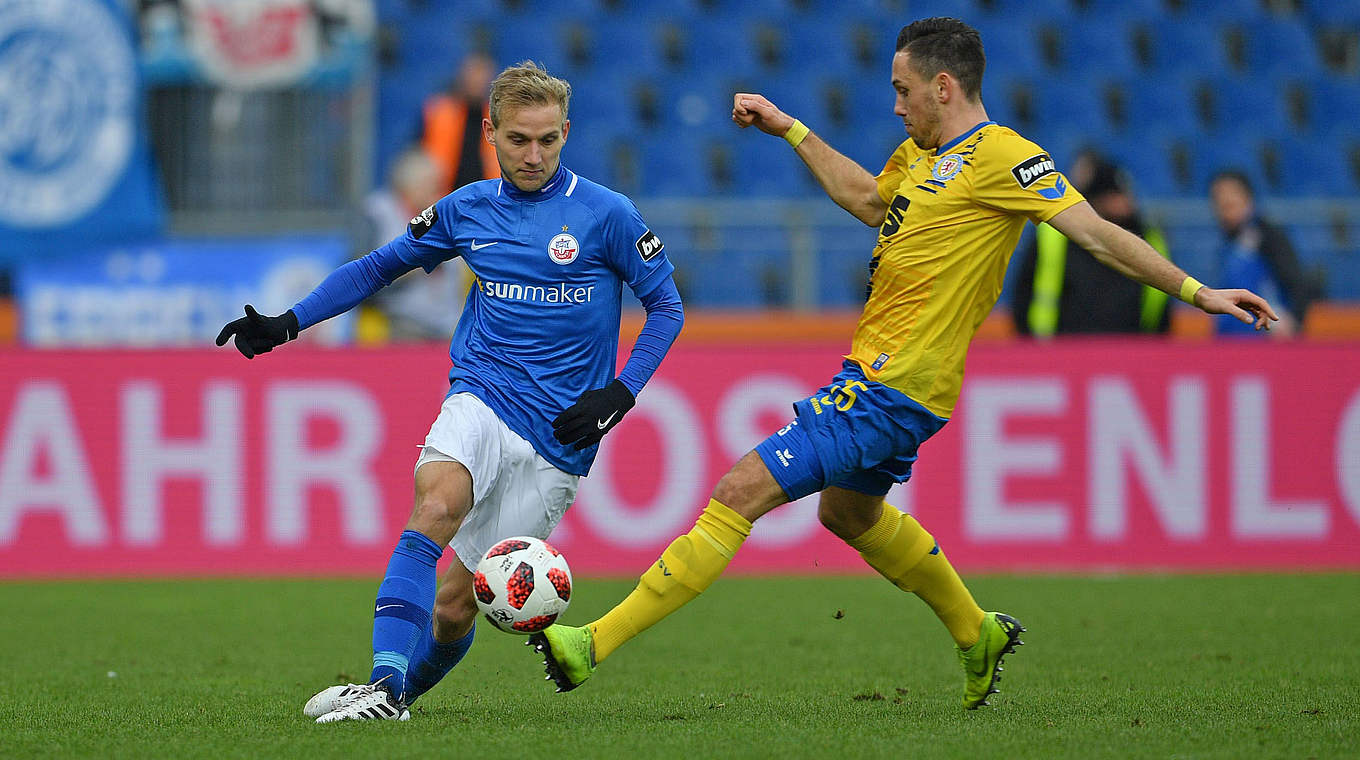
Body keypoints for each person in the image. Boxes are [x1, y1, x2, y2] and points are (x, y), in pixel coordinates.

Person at [529, 17, 1277, 710]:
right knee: (848, 512)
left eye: (902, 90)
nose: (895, 106)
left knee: (741, 488)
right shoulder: (920, 158)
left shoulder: (1004, 158)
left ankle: (591, 644)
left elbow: (1096, 234)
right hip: (878, 377)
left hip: (896, 385)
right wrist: (790, 128)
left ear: (943, 87)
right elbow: (867, 197)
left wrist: (1196, 291)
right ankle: (974, 630)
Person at [216, 61, 684, 722]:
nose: (534, 154)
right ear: (490, 132)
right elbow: (379, 267)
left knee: (456, 605)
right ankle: (383, 681)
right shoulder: (466, 209)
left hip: (561, 440)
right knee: (436, 504)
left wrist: (621, 394)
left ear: (566, 133)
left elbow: (666, 307)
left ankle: (394, 697)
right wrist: (288, 322)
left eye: (548, 139)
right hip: (483, 396)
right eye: (519, 139)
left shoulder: (607, 214)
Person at [1012, 155, 1174, 335]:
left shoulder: (1149, 236)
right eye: (1114, 195)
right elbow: (1024, 290)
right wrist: (1030, 339)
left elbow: (1162, 296)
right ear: (1097, 199)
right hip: (1061, 348)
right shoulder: (1053, 234)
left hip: (1131, 346)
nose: (1124, 203)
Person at [358, 147, 470, 341]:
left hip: (448, 326)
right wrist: (410, 267)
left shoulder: (447, 216)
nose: (440, 193)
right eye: (433, 186)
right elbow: (361, 280)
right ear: (410, 187)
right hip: (398, 323)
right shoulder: (379, 215)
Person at [1209, 169, 1316, 338]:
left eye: (1231, 200)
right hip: (1230, 338)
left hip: (1264, 338)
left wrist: (1294, 322)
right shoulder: (1227, 243)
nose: (1223, 204)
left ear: (1248, 199)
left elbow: (1297, 282)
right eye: (1218, 201)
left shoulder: (1269, 235)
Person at [423, 52, 500, 193]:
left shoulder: (499, 118)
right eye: (473, 74)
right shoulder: (439, 112)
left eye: (482, 74)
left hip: (488, 200)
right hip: (444, 197)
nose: (477, 81)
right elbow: (420, 158)